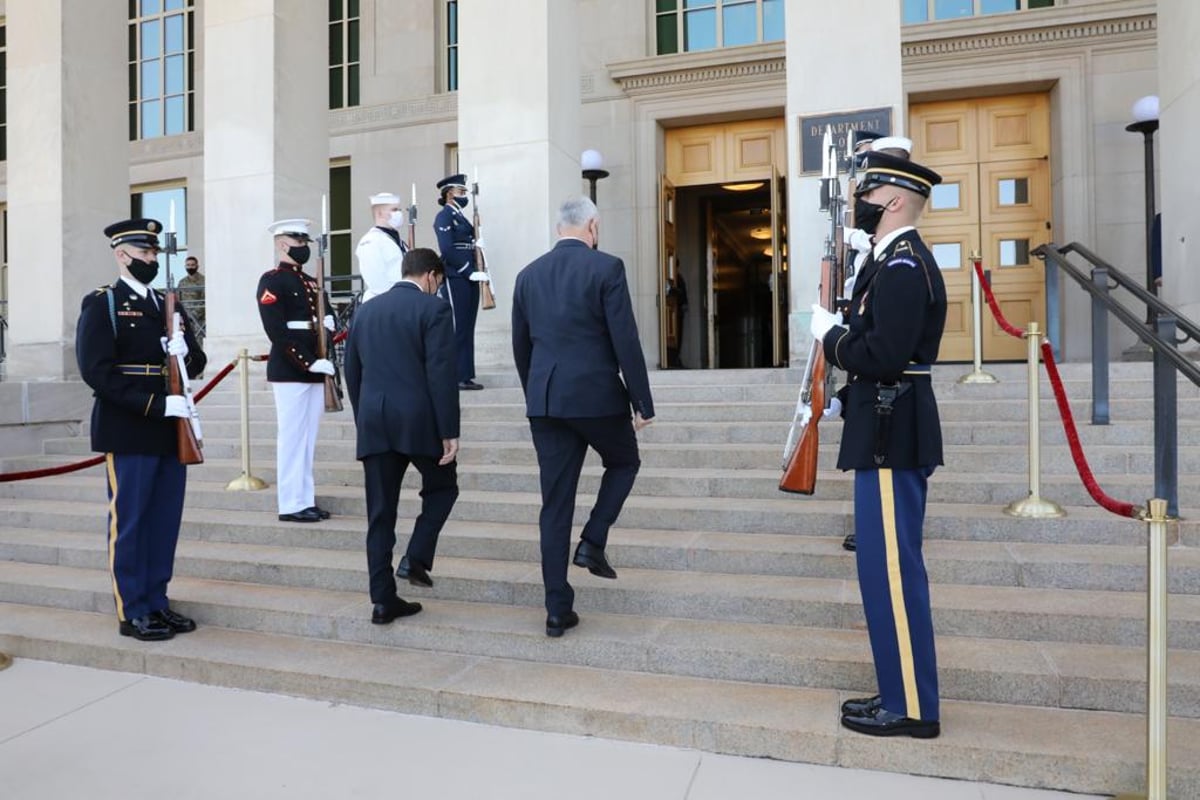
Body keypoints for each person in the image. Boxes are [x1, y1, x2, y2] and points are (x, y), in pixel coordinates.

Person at [809, 151, 947, 739]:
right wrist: (843, 398)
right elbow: (881, 358)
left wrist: (830, 336)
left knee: (892, 572)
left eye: (867, 194)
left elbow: (885, 355)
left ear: (892, 200)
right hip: (882, 423)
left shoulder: (903, 266)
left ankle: (912, 706)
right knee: (879, 570)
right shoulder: (890, 261)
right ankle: (898, 690)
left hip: (894, 432)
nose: (859, 203)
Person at [512, 196, 655, 638]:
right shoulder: (606, 267)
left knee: (555, 504)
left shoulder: (527, 275)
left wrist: (537, 394)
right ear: (592, 225)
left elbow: (522, 348)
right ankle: (593, 541)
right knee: (625, 462)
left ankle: (557, 609)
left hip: (547, 400)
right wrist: (641, 402)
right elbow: (624, 338)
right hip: (596, 397)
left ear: (560, 229)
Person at [75, 217, 207, 641]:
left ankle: (157, 600)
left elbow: (199, 363)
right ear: (122, 255)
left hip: (171, 428)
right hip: (130, 425)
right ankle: (132, 609)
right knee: (130, 520)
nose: (151, 259)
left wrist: (185, 351)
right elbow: (97, 372)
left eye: (153, 252)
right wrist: (154, 404)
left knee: (164, 519)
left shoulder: (167, 302)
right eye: (144, 253)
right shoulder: (104, 303)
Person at [344, 248, 460, 624]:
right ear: (430, 275)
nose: (437, 290)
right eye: (438, 283)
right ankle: (416, 558)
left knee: (380, 514)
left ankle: (382, 600)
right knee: (443, 488)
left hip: (375, 421)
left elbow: (352, 371)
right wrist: (449, 431)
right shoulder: (435, 310)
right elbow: (441, 373)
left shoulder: (366, 311)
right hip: (419, 421)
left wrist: (367, 418)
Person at [840, 133, 913, 553]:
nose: (862, 193)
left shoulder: (900, 255)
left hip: (889, 394)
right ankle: (871, 521)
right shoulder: (885, 248)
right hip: (868, 377)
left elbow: (886, 349)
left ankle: (879, 523)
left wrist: (835, 336)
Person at [256, 218, 337, 524]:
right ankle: (290, 503)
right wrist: (308, 361)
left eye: (305, 243)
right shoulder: (272, 280)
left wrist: (329, 322)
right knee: (291, 438)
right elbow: (277, 331)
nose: (303, 248)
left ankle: (305, 499)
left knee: (308, 439)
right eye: (298, 242)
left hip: (316, 367)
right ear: (281, 244)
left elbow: (323, 311)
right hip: (291, 368)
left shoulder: (311, 281)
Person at [433, 173, 488, 390]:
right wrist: (468, 272)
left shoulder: (461, 217)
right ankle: (455, 375)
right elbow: (447, 250)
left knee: (467, 325)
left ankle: (465, 375)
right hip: (456, 277)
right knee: (459, 327)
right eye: (461, 192)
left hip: (469, 276)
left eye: (465, 192)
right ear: (448, 194)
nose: (464, 195)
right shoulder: (444, 217)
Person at [355, 191, 410, 304]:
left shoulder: (399, 242)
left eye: (399, 210)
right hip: (383, 304)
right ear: (379, 213)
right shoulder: (371, 241)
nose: (399, 214)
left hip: (402, 301)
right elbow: (376, 281)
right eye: (394, 210)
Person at [177, 255, 206, 342]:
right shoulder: (182, 282)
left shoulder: (203, 281)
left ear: (197, 266)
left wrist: (194, 314)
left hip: (199, 320)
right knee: (187, 341)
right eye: (188, 265)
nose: (190, 267)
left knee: (198, 341)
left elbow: (205, 300)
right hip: (186, 318)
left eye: (192, 265)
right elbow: (178, 300)